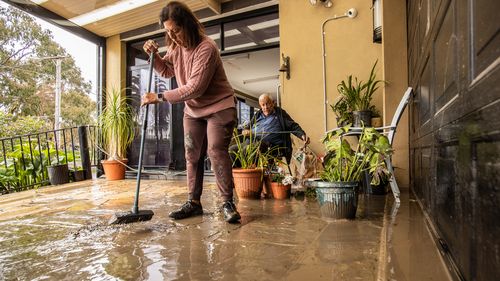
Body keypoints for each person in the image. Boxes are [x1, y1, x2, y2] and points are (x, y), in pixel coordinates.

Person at [141, 1, 240, 223]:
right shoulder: (176, 48)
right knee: (191, 154)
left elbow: (195, 88)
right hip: (194, 110)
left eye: (176, 30)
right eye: (168, 32)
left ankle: (227, 203)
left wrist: (158, 97)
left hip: (219, 106)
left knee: (215, 151)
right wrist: (153, 56)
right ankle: (193, 203)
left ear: (188, 25)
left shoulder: (207, 48)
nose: (173, 36)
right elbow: (167, 71)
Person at [231, 94, 309, 169]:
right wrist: (245, 131)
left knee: (248, 149)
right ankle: (235, 175)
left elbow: (293, 126)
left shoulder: (280, 114)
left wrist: (302, 135)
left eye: (267, 104)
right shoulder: (258, 114)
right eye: (263, 105)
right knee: (231, 150)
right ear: (260, 105)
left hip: (269, 145)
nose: (266, 107)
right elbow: (247, 128)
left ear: (273, 103)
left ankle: (247, 175)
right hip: (251, 141)